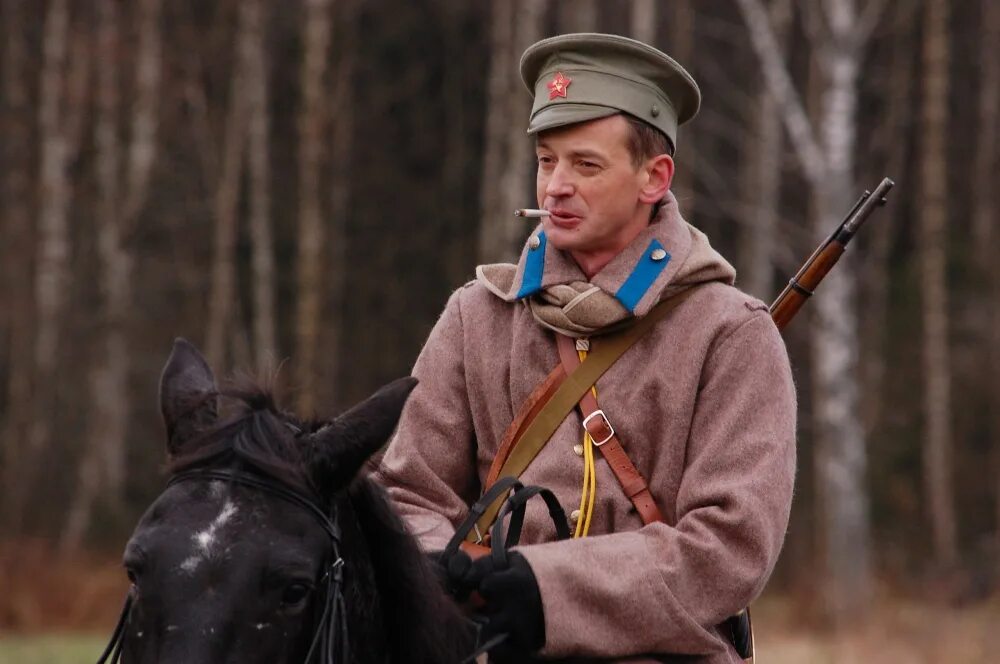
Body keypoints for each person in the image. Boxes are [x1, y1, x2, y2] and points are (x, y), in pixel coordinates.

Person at [375, 33, 796, 663]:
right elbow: (409, 495)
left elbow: (729, 549)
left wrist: (547, 593)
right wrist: (457, 579)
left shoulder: (729, 334)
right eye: (547, 161)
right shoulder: (477, 317)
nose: (555, 188)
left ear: (655, 176)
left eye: (586, 165)